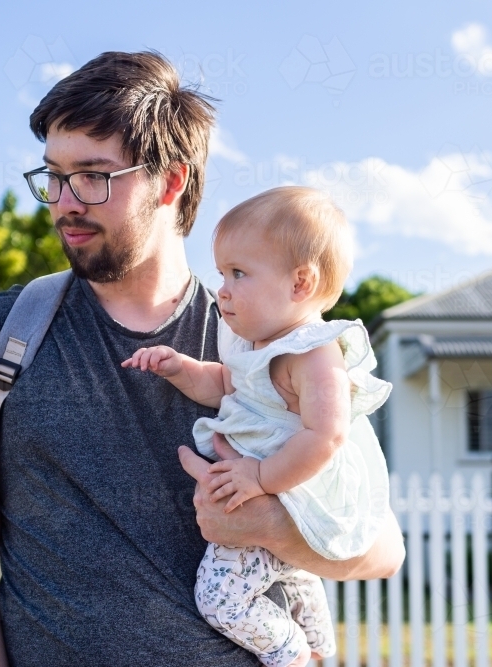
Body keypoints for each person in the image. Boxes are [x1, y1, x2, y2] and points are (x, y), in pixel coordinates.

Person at [0, 51, 405, 667]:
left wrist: (268, 528)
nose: (65, 202)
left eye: (93, 175)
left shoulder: (270, 344)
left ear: (171, 182)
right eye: (53, 176)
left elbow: (383, 548)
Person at [122, 186, 393, 667]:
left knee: (220, 599)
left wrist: (259, 478)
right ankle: (319, 647)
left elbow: (326, 435)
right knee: (293, 575)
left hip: (289, 494)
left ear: (300, 284)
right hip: (270, 492)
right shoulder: (253, 340)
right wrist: (181, 367)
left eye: (239, 273)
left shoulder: (312, 353)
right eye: (223, 272)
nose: (222, 288)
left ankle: (289, 653)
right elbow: (227, 384)